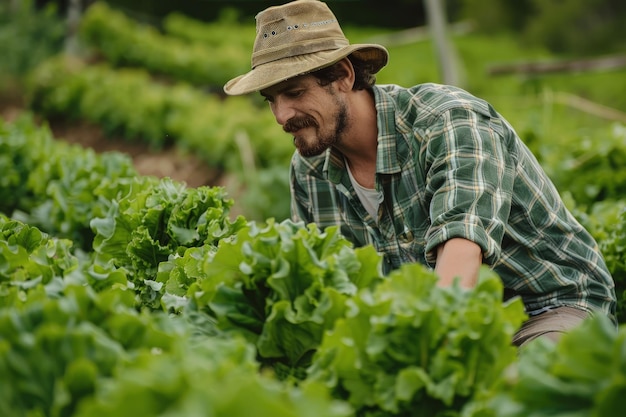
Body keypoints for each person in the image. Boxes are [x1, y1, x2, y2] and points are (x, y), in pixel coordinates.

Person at [223, 0, 617, 346]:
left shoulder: (447, 121)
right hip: (431, 321)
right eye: (270, 100)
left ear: (343, 75)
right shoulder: (309, 170)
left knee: (526, 386)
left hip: (544, 308)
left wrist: (421, 352)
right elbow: (328, 290)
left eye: (294, 93)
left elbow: (461, 255)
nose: (281, 116)